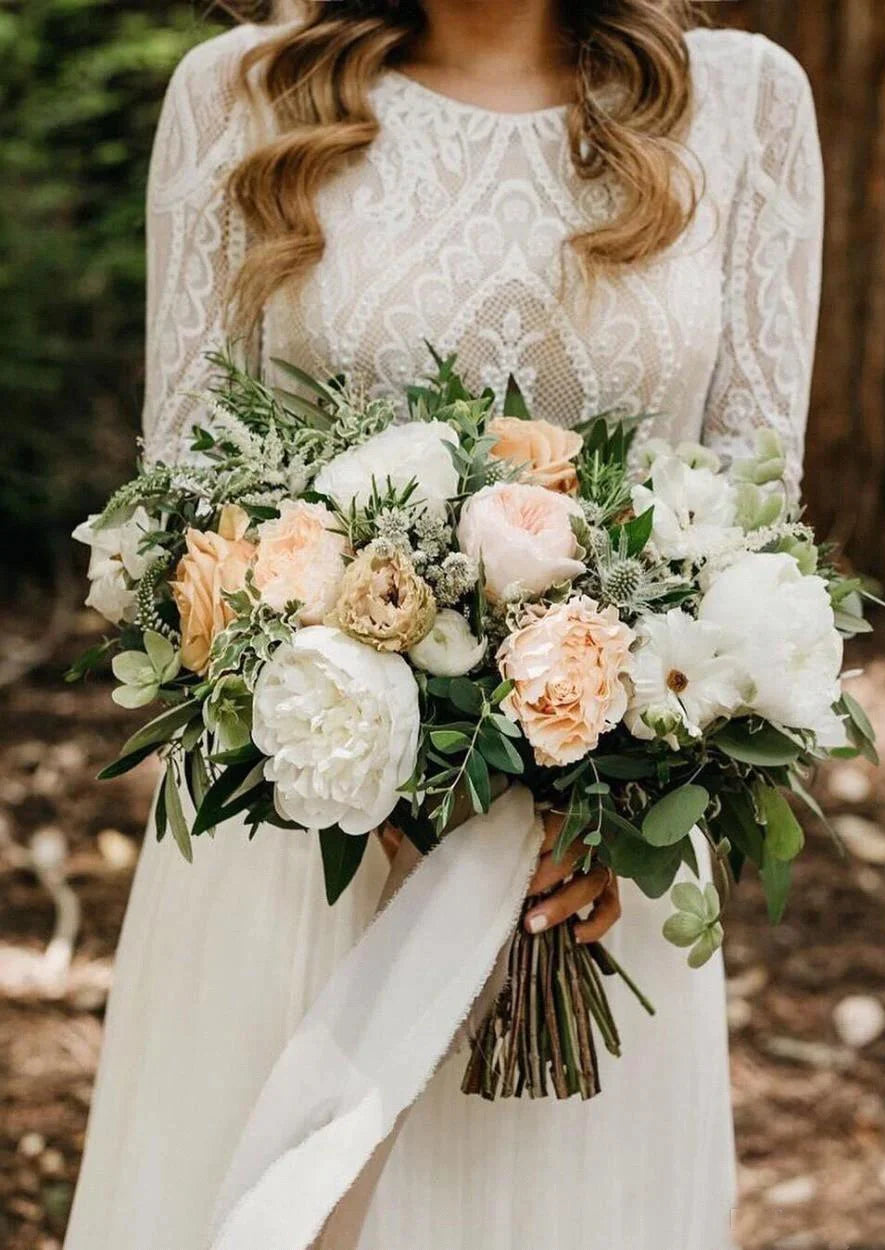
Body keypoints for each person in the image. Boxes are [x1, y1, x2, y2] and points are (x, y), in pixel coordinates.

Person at [65, 2, 823, 1246]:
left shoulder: (743, 103)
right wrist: (374, 779)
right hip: (303, 832)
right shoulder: (240, 97)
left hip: (590, 872)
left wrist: (625, 799)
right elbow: (179, 514)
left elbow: (755, 524)